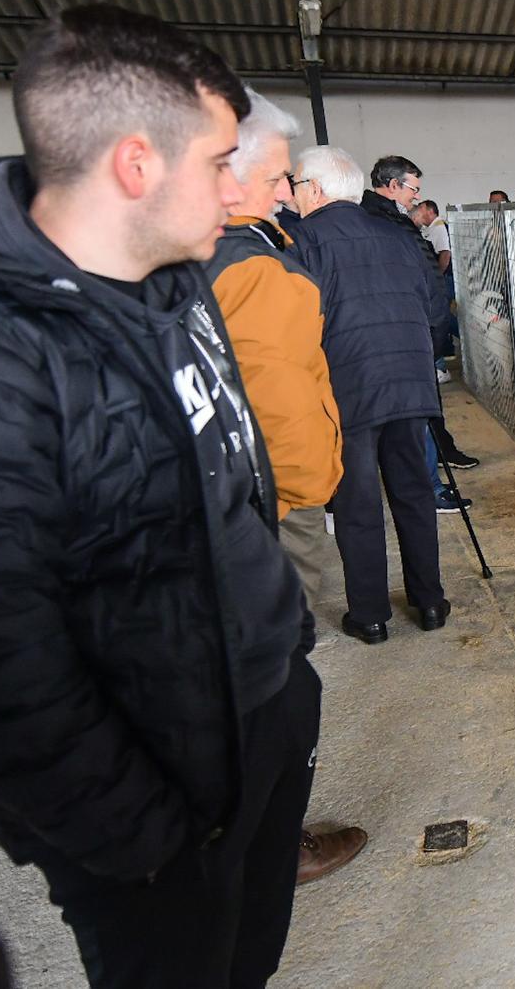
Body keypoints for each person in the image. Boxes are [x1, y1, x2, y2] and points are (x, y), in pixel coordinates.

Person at [0, 4, 319, 988]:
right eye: (220, 162)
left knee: (248, 963)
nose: (237, 190)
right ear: (136, 163)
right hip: (153, 803)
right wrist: (140, 832)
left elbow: (230, 475)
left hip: (263, 713)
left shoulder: (175, 278)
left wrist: (288, 676)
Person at [206, 89, 369, 884]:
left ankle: (258, 831)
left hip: (248, 494)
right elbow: (279, 396)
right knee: (276, 678)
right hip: (273, 496)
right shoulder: (247, 263)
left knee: (261, 671)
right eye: (276, 177)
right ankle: (271, 841)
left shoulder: (234, 253)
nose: (286, 190)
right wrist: (313, 486)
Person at [290, 145, 452, 644]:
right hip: (409, 384)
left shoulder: (302, 239)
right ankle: (428, 603)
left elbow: (296, 323)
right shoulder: (399, 235)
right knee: (414, 493)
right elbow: (433, 308)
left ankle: (371, 615)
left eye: (296, 186)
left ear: (315, 189)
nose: (292, 196)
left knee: (358, 504)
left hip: (348, 392)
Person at [361, 157, 479, 472]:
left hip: (420, 331)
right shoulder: (381, 223)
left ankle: (441, 452)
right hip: (410, 335)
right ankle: (431, 478)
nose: (416, 196)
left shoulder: (392, 221)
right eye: (413, 189)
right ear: (393, 185)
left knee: (425, 407)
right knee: (416, 412)